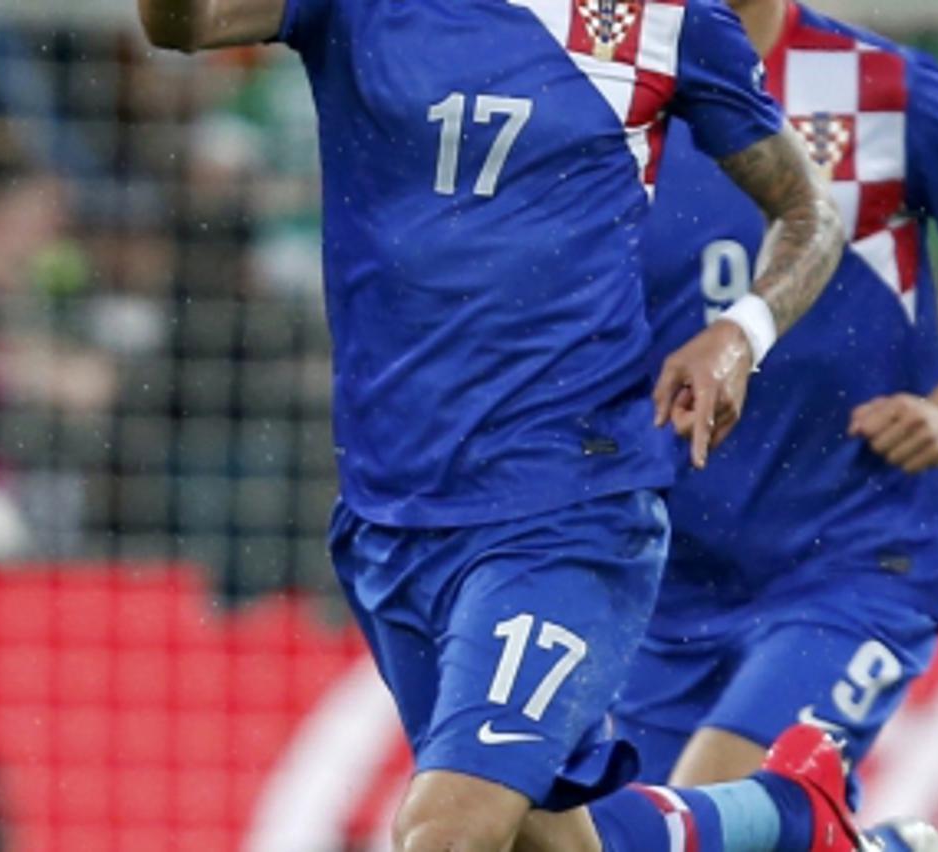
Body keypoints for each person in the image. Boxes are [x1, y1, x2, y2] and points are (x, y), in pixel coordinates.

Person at [136, 0, 878, 849]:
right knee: (545, 838)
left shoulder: (665, 23)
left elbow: (810, 213)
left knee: (447, 832)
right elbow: (181, 25)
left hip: (567, 507)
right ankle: (787, 819)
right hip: (396, 515)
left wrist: (741, 332)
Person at [617, 0, 938, 847]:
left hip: (853, 555)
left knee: (706, 813)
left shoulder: (877, 87)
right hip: (668, 579)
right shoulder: (620, 93)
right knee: (619, 835)